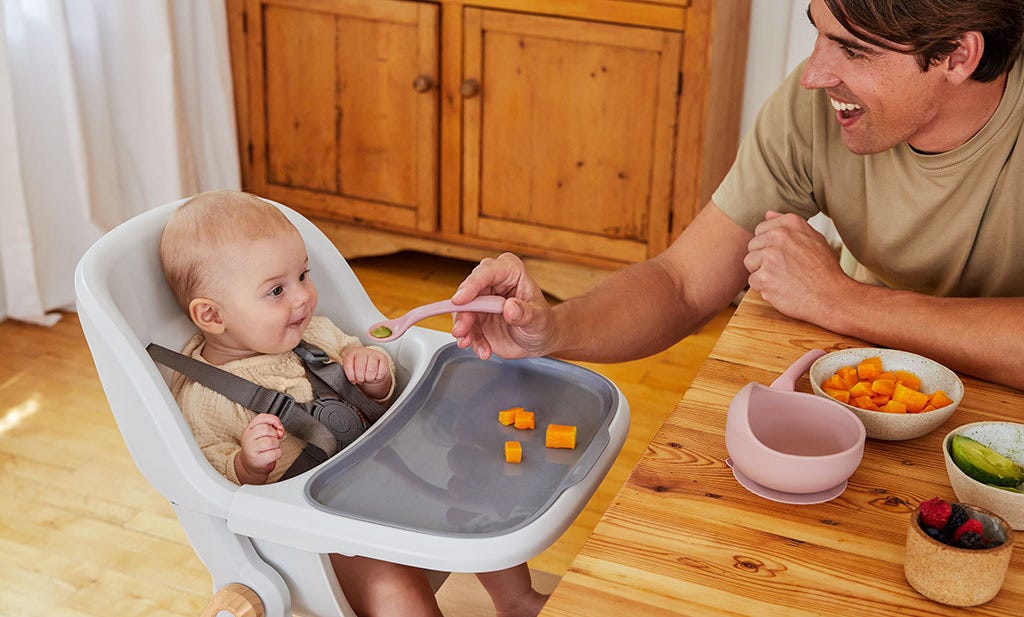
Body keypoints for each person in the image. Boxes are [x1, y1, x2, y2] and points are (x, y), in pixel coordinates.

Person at [450, 0, 1024, 392]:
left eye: (852, 50)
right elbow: (681, 281)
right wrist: (553, 330)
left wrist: (841, 301)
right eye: (817, 31)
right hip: (871, 387)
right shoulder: (816, 112)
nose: (814, 75)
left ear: (957, 56)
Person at [159, 190, 547, 617]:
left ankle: (517, 600)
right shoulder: (206, 397)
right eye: (276, 290)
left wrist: (374, 374)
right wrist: (250, 464)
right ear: (212, 316)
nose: (303, 296)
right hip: (324, 524)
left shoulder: (317, 334)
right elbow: (214, 481)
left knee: (472, 482)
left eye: (303, 275)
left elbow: (376, 392)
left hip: (386, 471)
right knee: (390, 584)